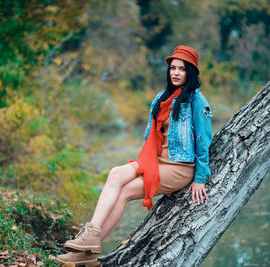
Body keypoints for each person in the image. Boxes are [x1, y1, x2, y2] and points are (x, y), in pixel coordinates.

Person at [55, 45, 212, 266]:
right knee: (116, 175)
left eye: (182, 69)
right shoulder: (161, 97)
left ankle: (86, 251)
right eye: (173, 68)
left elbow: (203, 142)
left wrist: (199, 178)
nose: (176, 73)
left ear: (191, 73)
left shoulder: (197, 101)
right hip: (155, 160)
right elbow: (150, 137)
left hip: (179, 167)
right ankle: (89, 245)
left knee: (125, 190)